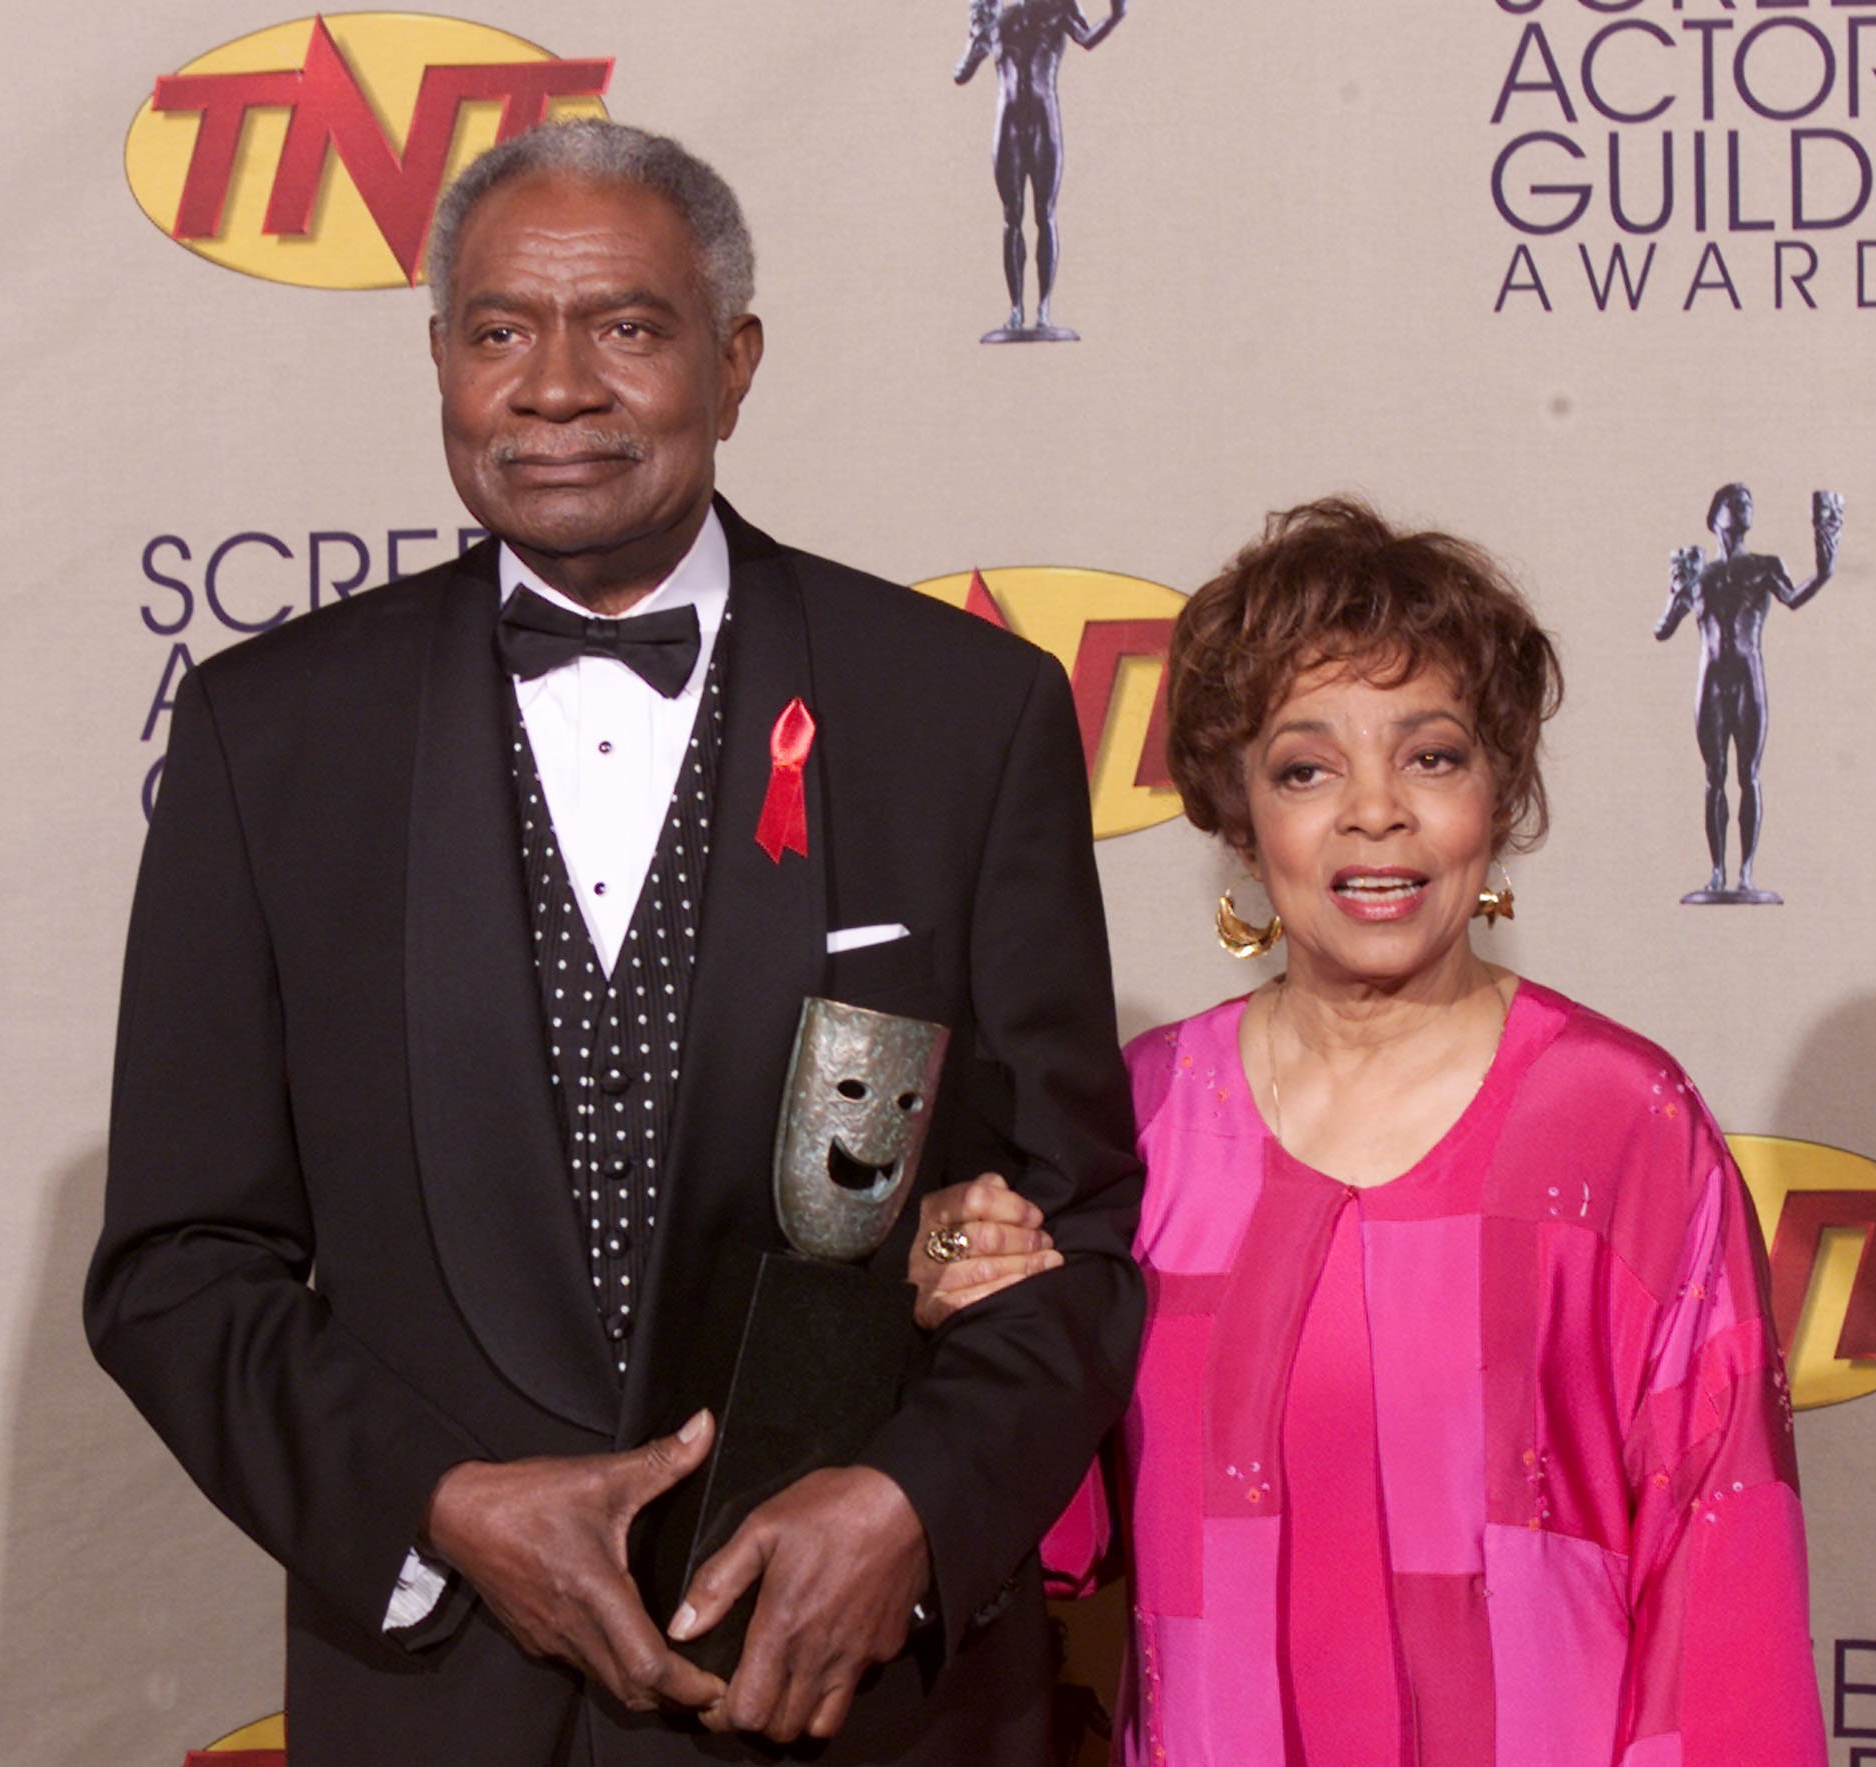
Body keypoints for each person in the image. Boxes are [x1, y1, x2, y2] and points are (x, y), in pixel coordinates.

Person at [86, 119, 1143, 1767]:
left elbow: (1068, 1231)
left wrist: (909, 1512)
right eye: (502, 330)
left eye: (629, 329)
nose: (557, 385)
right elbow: (177, 1265)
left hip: (858, 1699)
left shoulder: (960, 712)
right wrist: (437, 1504)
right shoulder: (266, 739)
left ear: (735, 363)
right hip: (448, 1701)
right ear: (441, 360)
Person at [913, 499, 1826, 1764]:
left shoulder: (1624, 1128)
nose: (1374, 813)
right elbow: (1055, 1542)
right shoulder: (1141, 1119)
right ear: (1237, 817)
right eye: (1305, 768)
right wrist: (974, 1307)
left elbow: (1724, 1585)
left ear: (1498, 794)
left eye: (1431, 756)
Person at [1654, 482, 1842, 905]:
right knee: (1713, 775)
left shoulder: (1764, 565)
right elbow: (1663, 629)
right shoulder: (1699, 573)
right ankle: (1718, 871)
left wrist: (1825, 571)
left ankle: (1746, 872)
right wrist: (1674, 594)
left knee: (1748, 775)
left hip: (1747, 673)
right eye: (1734, 502)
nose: (1743, 508)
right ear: (1715, 515)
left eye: (1747, 503)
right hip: (1711, 678)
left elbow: (1793, 598)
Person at [954, 0, 1130, 341]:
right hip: (1008, 122)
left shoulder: (1058, 3)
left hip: (1043, 117)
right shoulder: (991, 8)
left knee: (1044, 214)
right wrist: (977, 38)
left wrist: (1114, 16)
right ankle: (1016, 310)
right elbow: (961, 73)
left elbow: (1087, 38)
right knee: (1012, 215)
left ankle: (1043, 310)